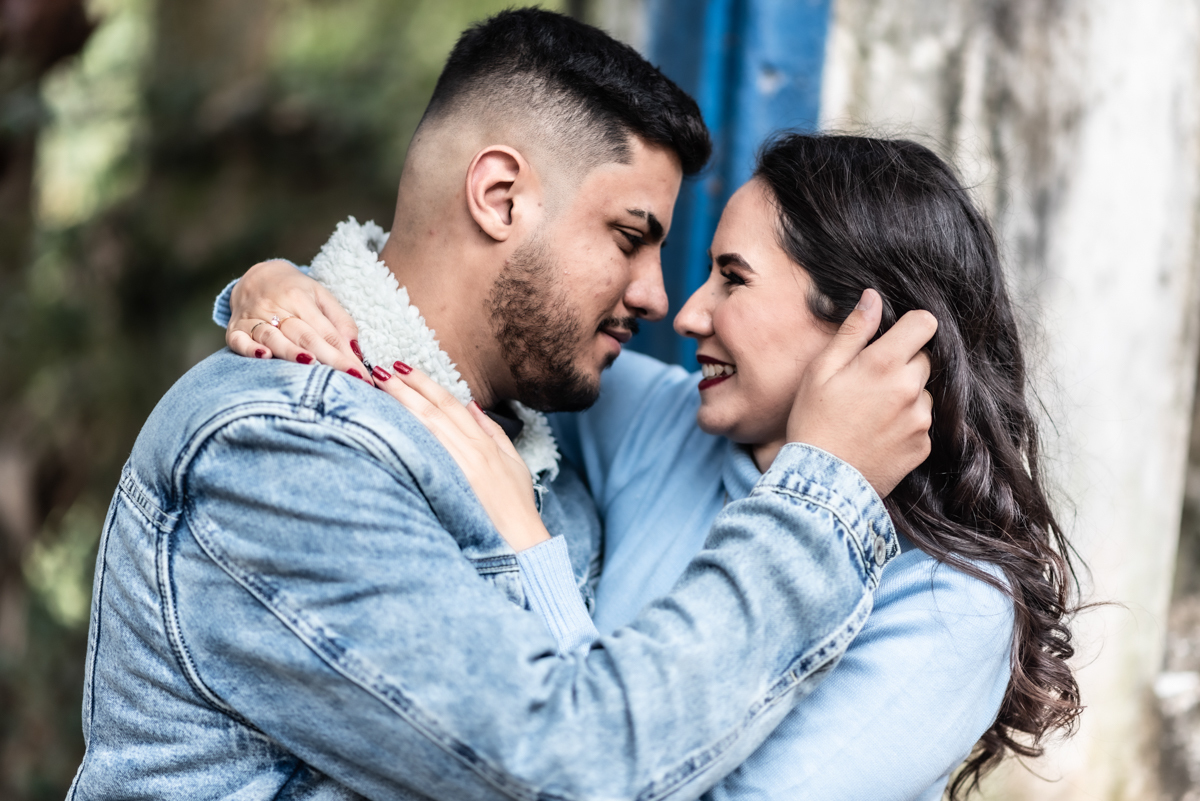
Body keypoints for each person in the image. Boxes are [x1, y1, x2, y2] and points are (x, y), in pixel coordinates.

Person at [70, 11, 938, 800]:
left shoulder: (542, 440)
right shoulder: (283, 446)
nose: (658, 297)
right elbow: (574, 765)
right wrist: (827, 493)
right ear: (499, 197)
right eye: (630, 237)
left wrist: (276, 280)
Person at [228, 134, 1081, 799]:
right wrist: (282, 287)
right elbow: (452, 325)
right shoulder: (666, 423)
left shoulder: (948, 604)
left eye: (732, 279)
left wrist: (532, 551)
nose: (688, 313)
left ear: (869, 325)